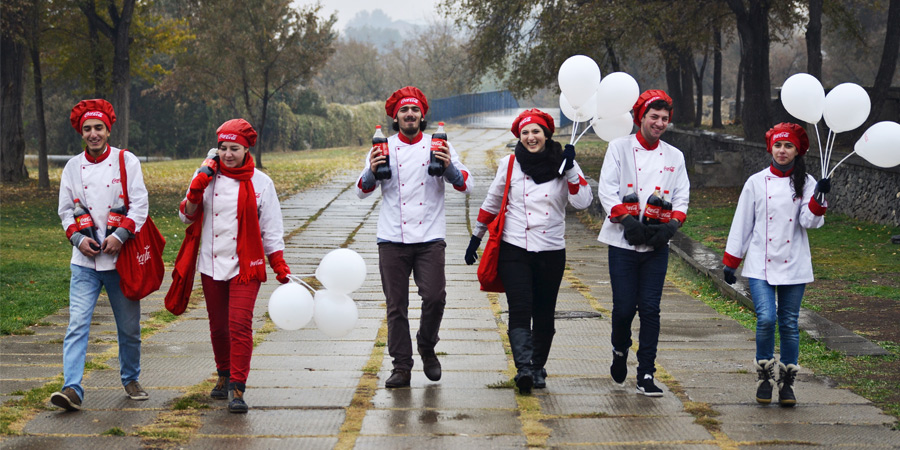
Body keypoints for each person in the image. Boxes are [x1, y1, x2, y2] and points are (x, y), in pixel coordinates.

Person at [464, 109, 593, 394]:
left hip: (550, 250)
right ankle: (523, 368)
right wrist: (476, 236)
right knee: (520, 308)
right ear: (519, 137)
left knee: (544, 312)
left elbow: (583, 202)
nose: (530, 137)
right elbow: (493, 200)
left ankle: (538, 366)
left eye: (536, 131)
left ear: (547, 134)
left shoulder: (564, 163)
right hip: (515, 248)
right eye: (525, 133)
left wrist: (571, 168)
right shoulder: (510, 163)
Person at [356, 86, 473, 388]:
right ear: (396, 118)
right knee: (396, 306)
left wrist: (447, 167)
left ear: (422, 116)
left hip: (430, 237)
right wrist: (371, 171)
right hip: (392, 238)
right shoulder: (384, 146)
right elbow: (360, 190)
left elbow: (466, 185)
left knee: (435, 297)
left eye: (414, 110)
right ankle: (401, 366)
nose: (409, 115)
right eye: (404, 111)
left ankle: (427, 345)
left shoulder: (439, 145)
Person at [177, 118, 291, 413]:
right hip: (211, 262)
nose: (228, 154)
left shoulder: (261, 182)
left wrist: (278, 262)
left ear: (246, 149)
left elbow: (271, 227)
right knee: (218, 327)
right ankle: (223, 374)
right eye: (223, 148)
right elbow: (186, 217)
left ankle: (237, 387)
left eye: (234, 149)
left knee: (239, 325)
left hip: (246, 265)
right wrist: (195, 189)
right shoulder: (206, 175)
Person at [52, 99, 150, 411]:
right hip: (84, 263)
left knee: (128, 328)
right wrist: (77, 239)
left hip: (120, 262)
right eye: (87, 130)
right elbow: (65, 211)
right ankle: (72, 388)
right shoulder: (71, 167)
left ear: (108, 131)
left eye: (98, 128)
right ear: (81, 134)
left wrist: (121, 236)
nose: (93, 134)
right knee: (78, 323)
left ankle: (130, 377)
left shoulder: (127, 161)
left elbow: (140, 205)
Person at [721, 123, 829, 407]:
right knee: (767, 319)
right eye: (778, 145)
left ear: (797, 150)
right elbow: (742, 222)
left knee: (790, 324)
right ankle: (765, 377)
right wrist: (732, 261)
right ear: (771, 147)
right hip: (760, 264)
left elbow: (810, 222)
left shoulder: (807, 182)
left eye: (788, 146)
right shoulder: (756, 182)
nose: (782, 151)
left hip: (794, 263)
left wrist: (819, 197)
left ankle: (788, 382)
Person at [596, 90, 690, 397]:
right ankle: (620, 349)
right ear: (641, 118)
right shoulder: (619, 148)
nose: (660, 123)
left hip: (656, 244)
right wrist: (626, 221)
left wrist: (671, 227)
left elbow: (681, 197)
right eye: (654, 117)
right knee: (624, 308)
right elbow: (608, 190)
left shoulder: (675, 156)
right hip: (623, 243)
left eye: (665, 118)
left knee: (650, 309)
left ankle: (646, 372)